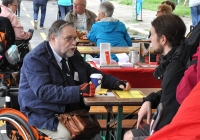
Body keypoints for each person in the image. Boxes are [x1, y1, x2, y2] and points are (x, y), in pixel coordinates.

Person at [18, 20, 131, 140]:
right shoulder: (36, 59)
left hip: (70, 112)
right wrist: (79, 91)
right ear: (53, 39)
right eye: (69, 39)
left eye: (75, 38)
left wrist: (115, 82)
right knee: (66, 136)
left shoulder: (71, 54)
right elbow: (44, 91)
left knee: (92, 132)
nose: (74, 43)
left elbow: (90, 72)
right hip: (43, 114)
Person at [123, 14, 186, 140]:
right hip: (176, 125)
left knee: (129, 136)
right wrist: (150, 100)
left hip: (173, 130)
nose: (150, 39)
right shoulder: (179, 60)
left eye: (151, 34)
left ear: (163, 39)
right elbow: (169, 94)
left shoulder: (174, 70)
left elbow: (169, 112)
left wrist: (153, 131)